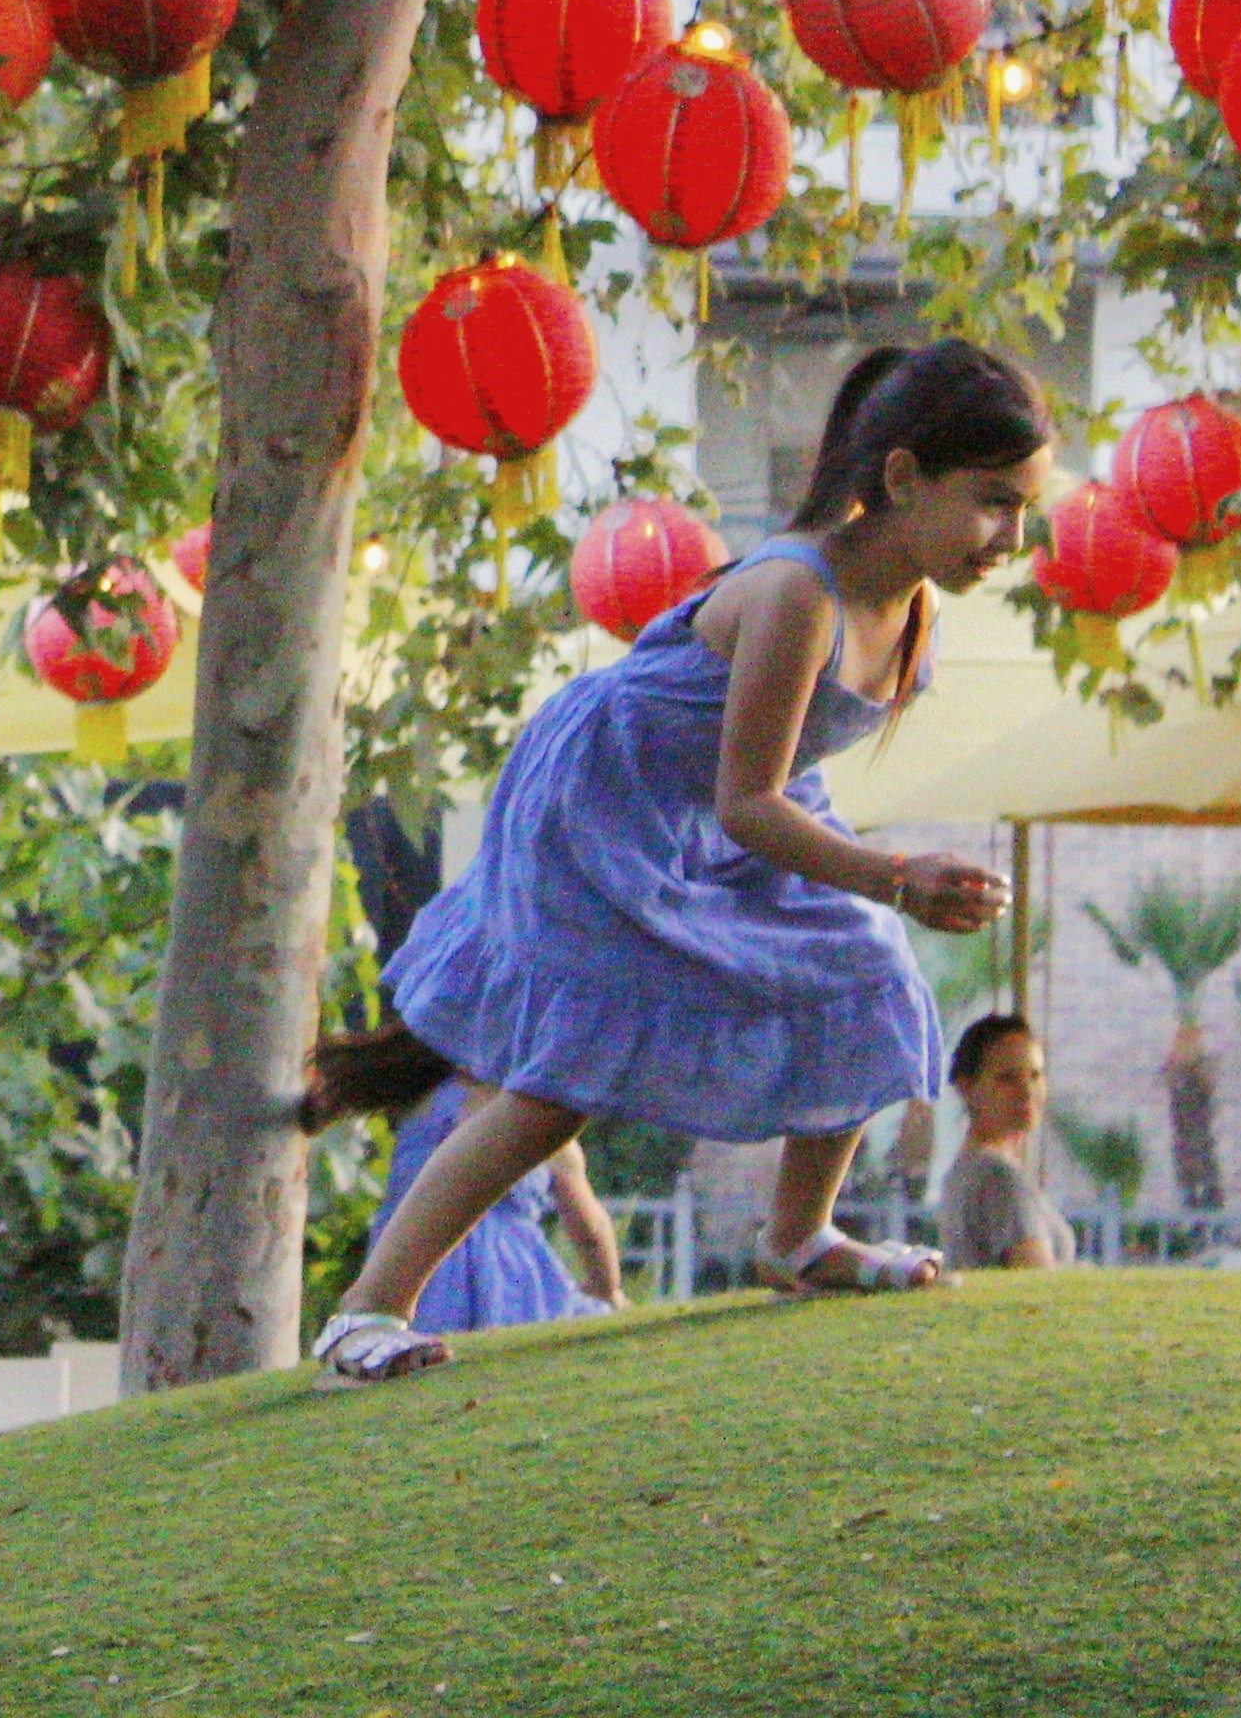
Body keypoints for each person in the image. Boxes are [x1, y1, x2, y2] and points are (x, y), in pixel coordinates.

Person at [291, 340, 1043, 1380]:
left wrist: (872, 895)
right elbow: (747, 800)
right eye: (993, 501)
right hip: (606, 799)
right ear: (904, 477)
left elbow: (771, 784)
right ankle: (365, 1313)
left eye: (1025, 510)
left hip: (725, 809)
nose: (1011, 535)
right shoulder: (799, 593)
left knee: (865, 973)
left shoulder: (913, 613)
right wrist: (894, 876)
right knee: (566, 1078)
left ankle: (800, 1239)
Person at [382, 1074, 628, 1328]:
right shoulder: (543, 1120)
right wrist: (607, 1288)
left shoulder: (422, 1105)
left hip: (407, 1253)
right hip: (505, 1267)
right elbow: (589, 1228)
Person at [936, 1010, 1065, 1273]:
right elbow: (1036, 1278)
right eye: (1008, 1079)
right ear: (968, 1088)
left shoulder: (961, 1173)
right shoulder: (999, 1179)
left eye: (1035, 1075)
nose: (1027, 1091)